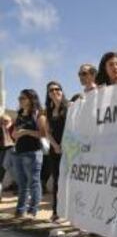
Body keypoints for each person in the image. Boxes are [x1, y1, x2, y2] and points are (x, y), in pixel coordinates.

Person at [12, 89, 47, 218]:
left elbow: (43, 134)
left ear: (31, 99)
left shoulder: (39, 114)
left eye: (23, 98)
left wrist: (25, 132)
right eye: (19, 98)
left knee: (33, 182)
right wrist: (15, 134)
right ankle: (20, 211)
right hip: (18, 152)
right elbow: (15, 133)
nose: (20, 101)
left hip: (32, 153)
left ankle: (32, 211)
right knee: (21, 183)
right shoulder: (19, 114)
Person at [45, 81, 68, 222]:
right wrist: (55, 145)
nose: (54, 92)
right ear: (48, 94)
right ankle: (56, 211)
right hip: (55, 150)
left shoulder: (69, 106)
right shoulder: (48, 111)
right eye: (51, 90)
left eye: (57, 89)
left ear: (61, 90)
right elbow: (47, 132)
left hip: (70, 149)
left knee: (70, 181)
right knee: (57, 181)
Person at [0, 114, 15, 202]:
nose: (4, 123)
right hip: (2, 151)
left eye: (6, 121)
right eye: (2, 121)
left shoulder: (14, 128)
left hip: (13, 151)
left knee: (9, 168)